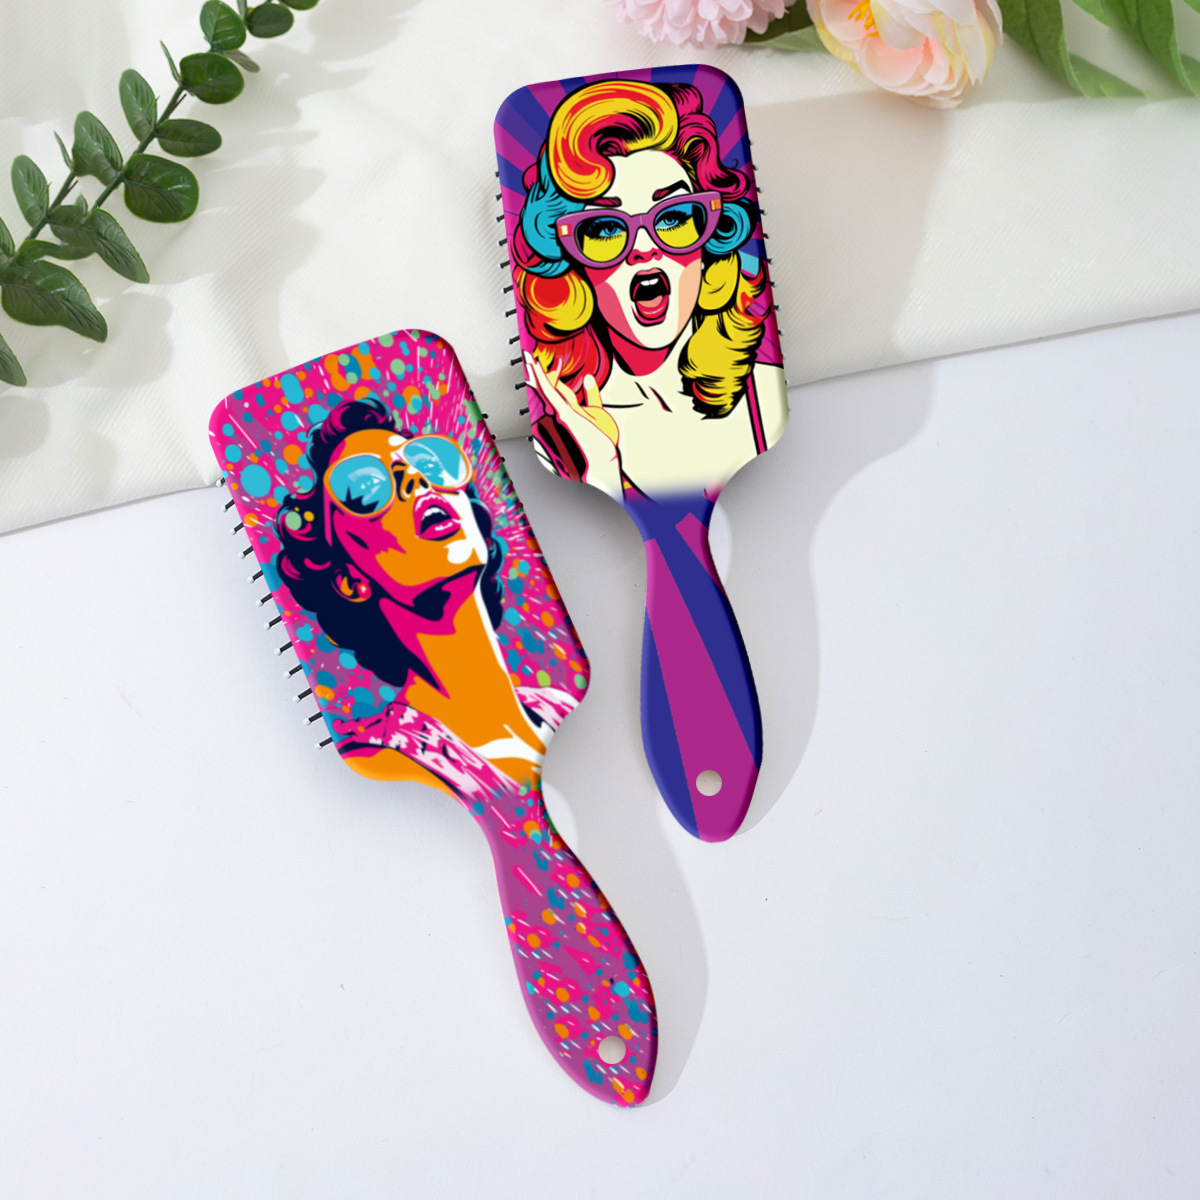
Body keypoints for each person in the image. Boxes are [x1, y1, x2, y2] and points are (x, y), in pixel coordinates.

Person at [274, 396, 574, 800]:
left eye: (429, 462)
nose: (416, 479)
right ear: (348, 579)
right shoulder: (384, 752)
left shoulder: (555, 700)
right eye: (365, 488)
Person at [512, 78, 787, 500]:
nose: (644, 249)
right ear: (571, 263)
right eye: (605, 228)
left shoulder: (761, 398)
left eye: (673, 218)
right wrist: (606, 471)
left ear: (712, 237)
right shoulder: (574, 429)